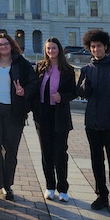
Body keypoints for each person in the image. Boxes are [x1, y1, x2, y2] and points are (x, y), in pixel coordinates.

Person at [0, 32, 37, 204]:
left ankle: (7, 185)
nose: (3, 47)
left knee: (10, 150)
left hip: (14, 111)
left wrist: (24, 91)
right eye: (0, 44)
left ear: (12, 45)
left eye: (6, 44)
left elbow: (34, 83)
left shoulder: (22, 63)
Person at [77, 29, 110, 216]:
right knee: (96, 162)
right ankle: (101, 195)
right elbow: (82, 94)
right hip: (92, 123)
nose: (96, 49)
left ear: (105, 47)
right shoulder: (86, 69)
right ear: (89, 49)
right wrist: (83, 87)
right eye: (92, 46)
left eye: (99, 46)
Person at [32, 37, 77, 203]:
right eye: (48, 49)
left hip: (60, 116)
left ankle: (63, 187)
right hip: (43, 116)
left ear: (59, 49)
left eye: (53, 48)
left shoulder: (68, 70)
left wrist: (62, 97)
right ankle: (50, 186)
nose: (51, 51)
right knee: (46, 153)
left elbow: (74, 92)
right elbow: (34, 90)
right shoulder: (40, 67)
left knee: (60, 153)